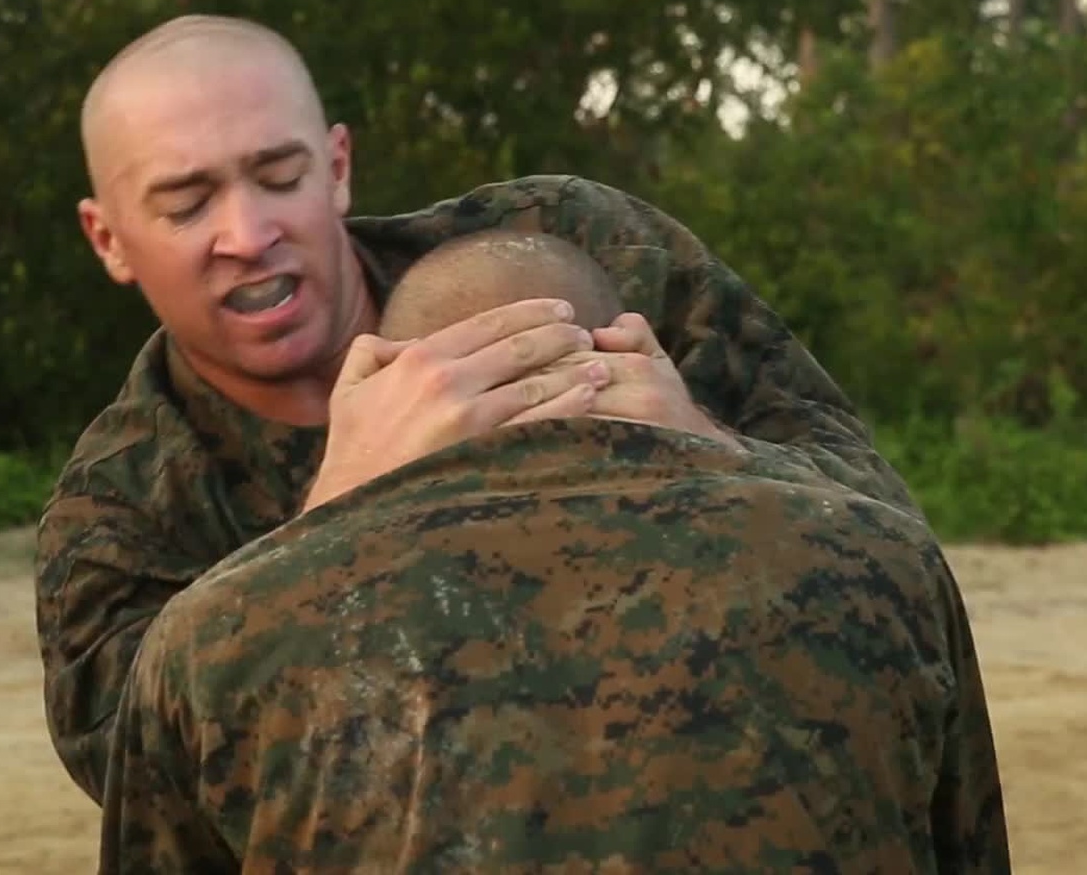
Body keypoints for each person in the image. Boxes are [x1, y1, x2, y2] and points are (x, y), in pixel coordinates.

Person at [36, 13, 924, 803]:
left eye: (278, 176)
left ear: (338, 168)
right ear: (108, 239)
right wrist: (333, 519)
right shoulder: (120, 508)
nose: (248, 232)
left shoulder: (578, 252)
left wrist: (702, 447)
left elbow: (890, 540)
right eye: (188, 203)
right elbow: (149, 783)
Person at [96, 230, 1008, 873]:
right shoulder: (883, 561)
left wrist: (326, 505)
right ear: (629, 353)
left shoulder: (213, 637)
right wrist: (724, 450)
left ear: (378, 386)